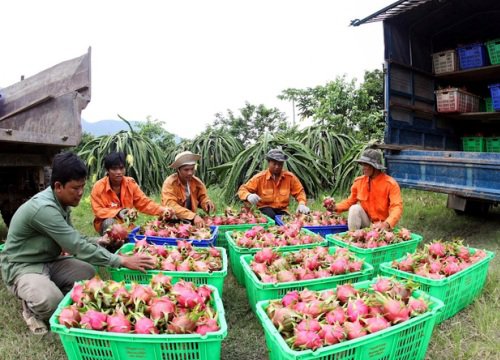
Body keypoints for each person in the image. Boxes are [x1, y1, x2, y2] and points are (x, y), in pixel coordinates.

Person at [0, 152, 156, 335]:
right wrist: (120, 260)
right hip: (23, 265)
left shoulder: (61, 202)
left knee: (88, 272)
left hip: (50, 260)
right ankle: (31, 306)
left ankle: (45, 285)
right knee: (52, 303)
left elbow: (71, 238)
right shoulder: (44, 208)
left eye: (83, 187)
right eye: (76, 188)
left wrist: (98, 240)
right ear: (58, 186)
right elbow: (76, 246)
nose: (81, 193)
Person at [90, 152, 172, 235]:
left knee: (145, 232)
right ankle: (108, 245)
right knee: (109, 222)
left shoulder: (130, 183)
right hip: (106, 224)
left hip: (127, 224)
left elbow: (144, 203)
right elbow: (98, 211)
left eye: (121, 168)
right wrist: (118, 212)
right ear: (107, 170)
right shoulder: (98, 187)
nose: (119, 172)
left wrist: (162, 210)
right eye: (114, 169)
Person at [331, 148, 403, 231]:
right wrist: (335, 207)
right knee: (354, 208)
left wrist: (387, 224)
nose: (363, 168)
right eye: (362, 165)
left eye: (366, 165)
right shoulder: (359, 181)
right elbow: (350, 202)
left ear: (375, 167)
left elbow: (397, 207)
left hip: (383, 225)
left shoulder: (390, 184)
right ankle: (354, 237)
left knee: (383, 226)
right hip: (368, 222)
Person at [237, 148, 310, 221]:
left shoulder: (290, 177)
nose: (277, 167)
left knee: (288, 221)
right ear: (269, 162)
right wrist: (248, 195)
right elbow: (242, 189)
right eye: (274, 164)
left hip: (282, 210)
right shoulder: (259, 178)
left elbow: (299, 192)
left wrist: (302, 204)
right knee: (271, 216)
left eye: (280, 164)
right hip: (264, 208)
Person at [161, 151, 215, 226]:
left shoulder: (197, 182)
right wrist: (193, 216)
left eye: (192, 169)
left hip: (191, 221)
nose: (190, 173)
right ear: (178, 170)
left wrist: (206, 203)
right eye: (186, 170)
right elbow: (171, 206)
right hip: (172, 222)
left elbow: (202, 197)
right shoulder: (170, 183)